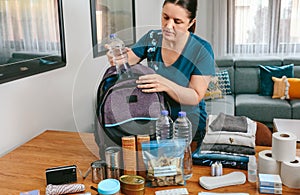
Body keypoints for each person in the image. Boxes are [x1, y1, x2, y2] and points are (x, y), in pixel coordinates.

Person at [107, 0, 215, 146]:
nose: (168, 26)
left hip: (188, 127)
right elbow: (129, 58)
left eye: (177, 21)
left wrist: (164, 84)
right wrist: (118, 58)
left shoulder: (201, 50)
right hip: (157, 125)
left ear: (191, 23)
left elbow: (195, 95)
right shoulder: (152, 39)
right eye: (165, 17)